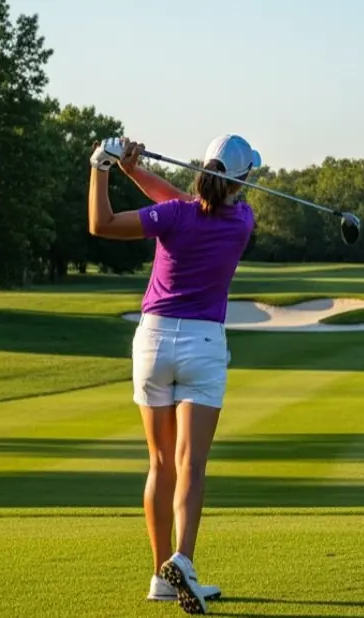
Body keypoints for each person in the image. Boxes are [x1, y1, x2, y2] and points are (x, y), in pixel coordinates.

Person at [87, 134, 259, 615]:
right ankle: (183, 560)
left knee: (160, 464)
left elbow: (100, 224)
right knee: (191, 465)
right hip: (204, 345)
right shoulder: (242, 220)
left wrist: (103, 166)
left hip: (154, 342)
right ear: (241, 181)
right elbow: (188, 201)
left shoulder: (174, 217)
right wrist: (132, 171)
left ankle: (161, 574)